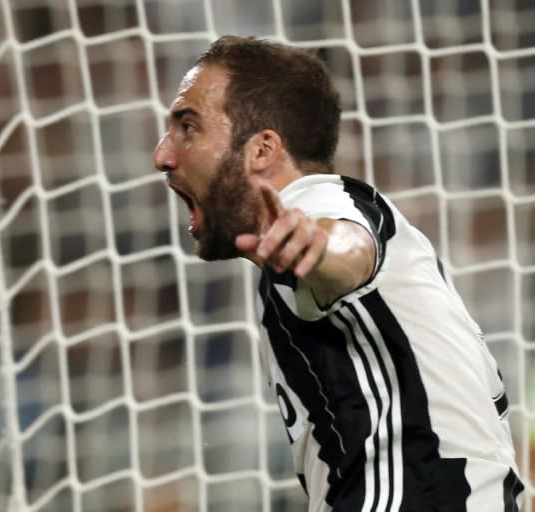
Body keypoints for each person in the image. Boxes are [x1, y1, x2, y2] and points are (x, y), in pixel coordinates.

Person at [153, 35, 523, 511]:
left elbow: (350, 248)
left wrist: (318, 244)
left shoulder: (322, 205)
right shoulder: (365, 242)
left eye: (188, 126)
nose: (162, 155)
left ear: (262, 149)